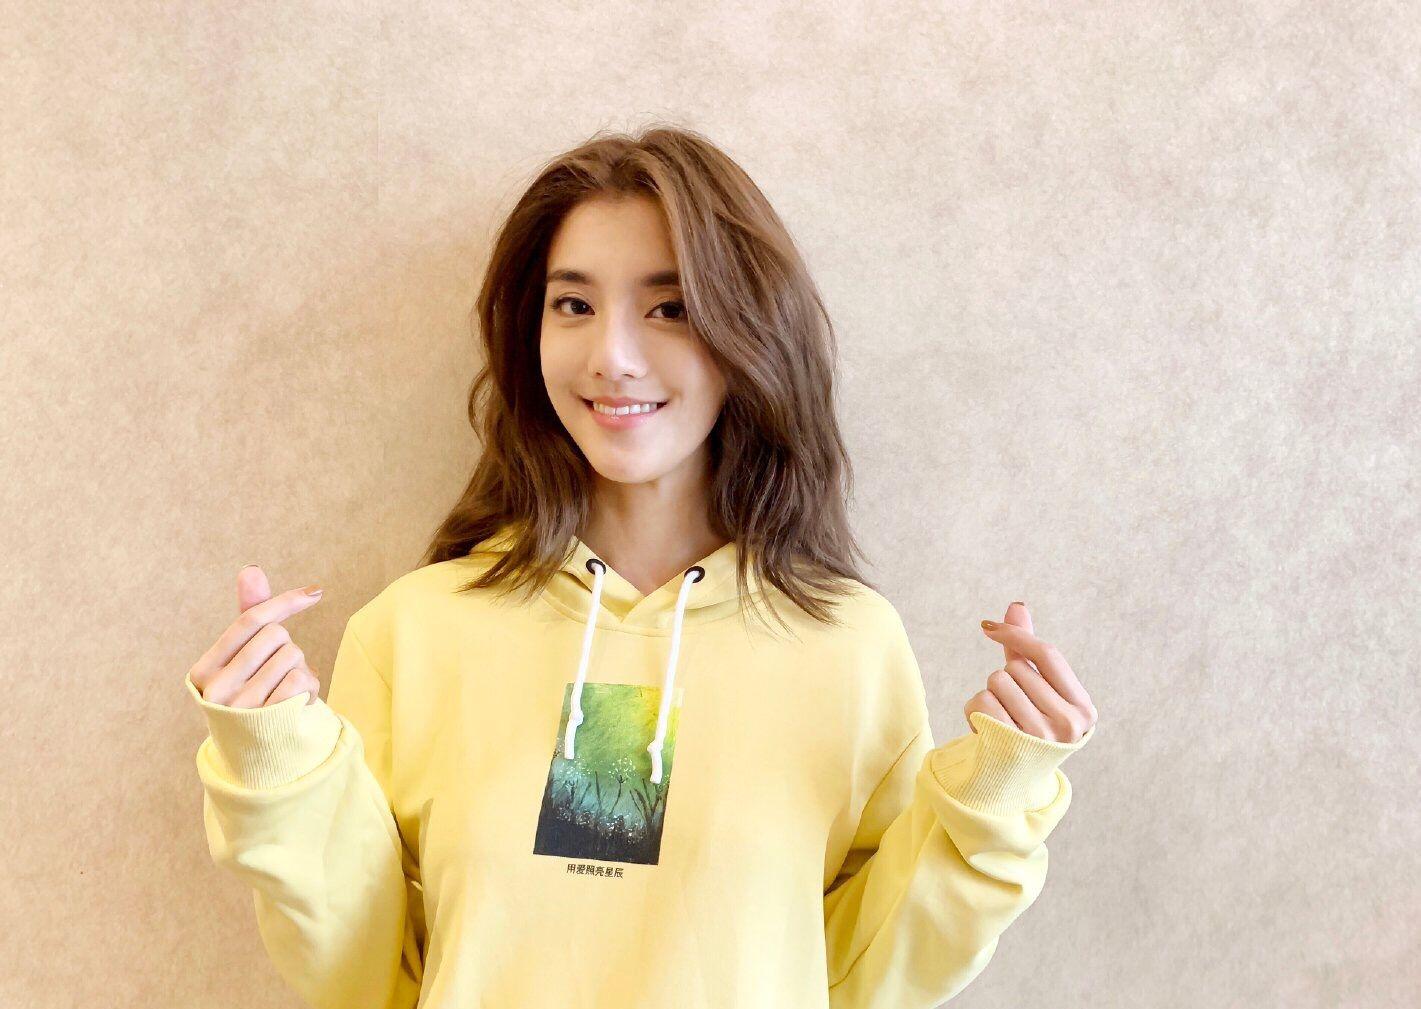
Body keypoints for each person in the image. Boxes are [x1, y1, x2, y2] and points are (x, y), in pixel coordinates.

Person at [183, 123, 1098, 1009]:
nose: (612, 357)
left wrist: (999, 786)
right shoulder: (414, 630)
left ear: (749, 331)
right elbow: (366, 975)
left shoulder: (847, 644)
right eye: (573, 305)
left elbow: (863, 976)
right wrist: (277, 760)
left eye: (669, 308)